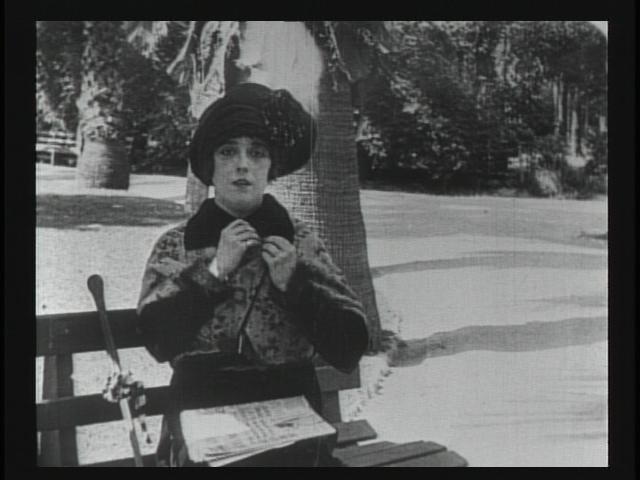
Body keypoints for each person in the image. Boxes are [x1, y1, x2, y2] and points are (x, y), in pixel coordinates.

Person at [136, 82, 369, 467]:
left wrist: (294, 285)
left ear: (271, 168)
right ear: (210, 166)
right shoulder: (177, 245)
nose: (243, 164)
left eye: (257, 153)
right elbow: (158, 341)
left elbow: (350, 347)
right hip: (202, 412)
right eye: (228, 151)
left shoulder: (300, 242)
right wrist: (215, 271)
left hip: (291, 416)